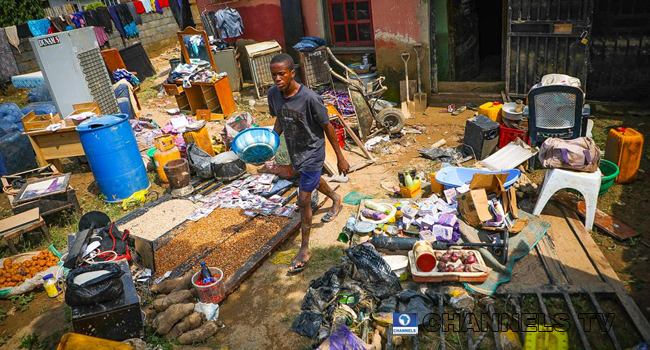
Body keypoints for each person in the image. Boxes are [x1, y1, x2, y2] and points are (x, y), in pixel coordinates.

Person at [268, 53, 349, 273]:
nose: (277, 79)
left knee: (303, 199)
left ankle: (304, 248)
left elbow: (327, 127)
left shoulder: (310, 98)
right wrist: (271, 143)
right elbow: (279, 118)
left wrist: (340, 157)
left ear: (292, 73)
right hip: (296, 150)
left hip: (313, 151)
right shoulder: (273, 95)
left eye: (282, 74)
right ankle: (335, 197)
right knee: (310, 181)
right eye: (274, 74)